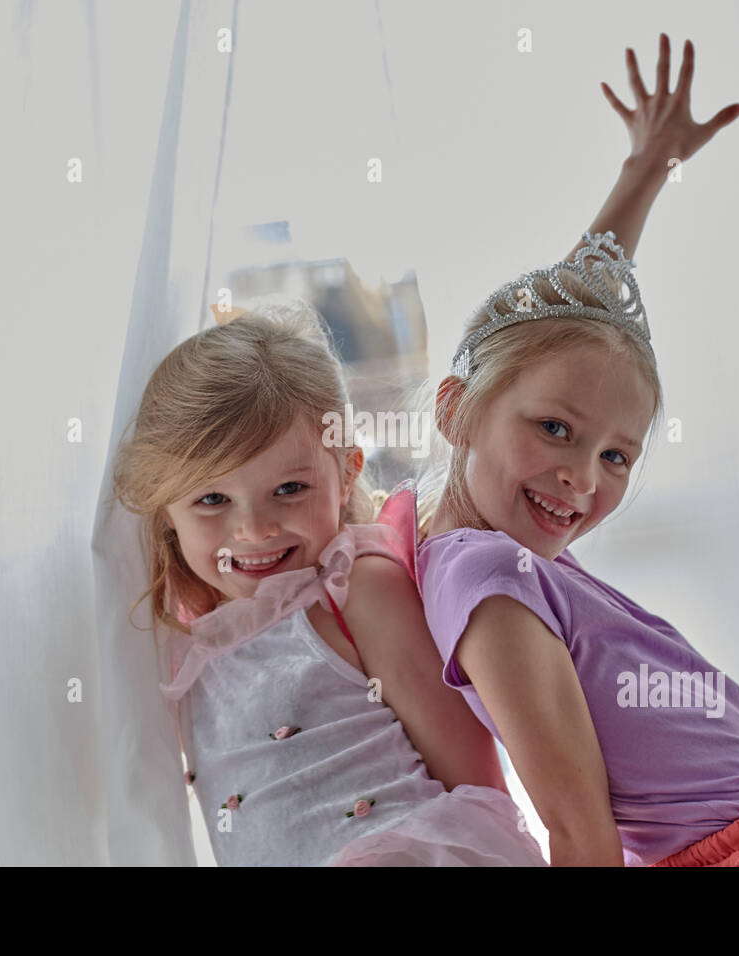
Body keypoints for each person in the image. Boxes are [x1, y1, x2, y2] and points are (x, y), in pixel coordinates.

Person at [411, 34, 739, 867]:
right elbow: (577, 830)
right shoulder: (485, 577)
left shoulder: (507, 544)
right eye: (555, 431)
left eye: (619, 456)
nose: (582, 477)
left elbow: (571, 318)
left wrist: (648, 166)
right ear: (457, 410)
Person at [109, 296, 545, 866]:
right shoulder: (189, 647)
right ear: (167, 512)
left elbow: (476, 784)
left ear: (346, 473)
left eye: (289, 489)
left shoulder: (356, 589)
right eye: (212, 499)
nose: (253, 528)